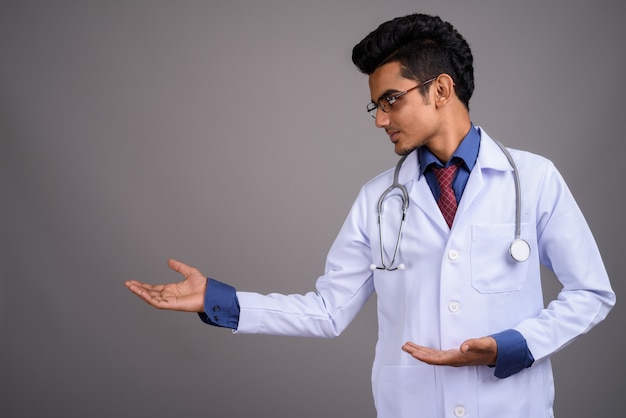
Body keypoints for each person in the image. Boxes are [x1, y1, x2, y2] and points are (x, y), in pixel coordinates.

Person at [125, 13, 615, 418]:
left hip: (513, 406)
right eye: (375, 105)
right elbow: (327, 312)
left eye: (391, 100)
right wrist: (218, 298)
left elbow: (591, 293)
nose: (379, 119)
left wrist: (510, 345)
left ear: (441, 90)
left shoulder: (534, 179)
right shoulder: (378, 200)